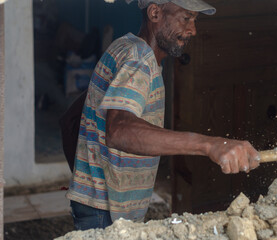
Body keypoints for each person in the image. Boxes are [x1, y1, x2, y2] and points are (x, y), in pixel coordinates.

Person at [65, 0, 260, 230]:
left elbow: (74, 114)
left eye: (195, 20)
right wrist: (209, 145)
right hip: (105, 212)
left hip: (102, 205)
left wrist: (85, 178)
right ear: (155, 13)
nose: (193, 30)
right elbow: (118, 129)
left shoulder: (125, 47)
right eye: (186, 18)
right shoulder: (139, 60)